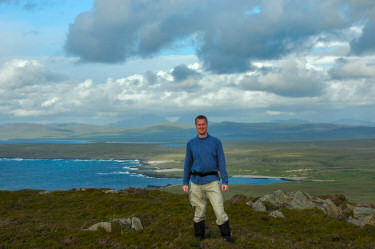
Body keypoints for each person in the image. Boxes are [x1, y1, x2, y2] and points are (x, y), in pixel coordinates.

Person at [183, 115, 232, 242]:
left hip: (212, 181)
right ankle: (199, 236)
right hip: (195, 182)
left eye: (203, 124)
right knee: (199, 211)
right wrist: (185, 182)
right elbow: (188, 163)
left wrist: (225, 180)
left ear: (207, 125)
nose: (201, 126)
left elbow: (221, 162)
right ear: (195, 126)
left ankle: (226, 236)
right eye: (199, 124)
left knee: (219, 210)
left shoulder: (216, 142)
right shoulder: (191, 143)